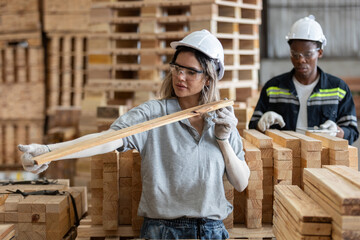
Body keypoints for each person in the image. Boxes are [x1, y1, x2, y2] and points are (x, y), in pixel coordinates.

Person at [18, 29, 250, 239]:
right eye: (177, 68)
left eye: (191, 72)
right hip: (162, 231)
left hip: (211, 232)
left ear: (208, 78)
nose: (180, 77)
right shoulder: (153, 114)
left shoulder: (222, 120)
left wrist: (223, 140)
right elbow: (106, 141)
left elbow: (240, 183)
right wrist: (48, 152)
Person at [249, 15, 359, 144]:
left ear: (320, 52)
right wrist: (261, 123)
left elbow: (352, 131)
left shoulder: (338, 89)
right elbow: (252, 127)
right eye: (295, 54)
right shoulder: (273, 88)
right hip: (284, 158)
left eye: (308, 54)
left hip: (322, 160)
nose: (301, 60)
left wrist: (337, 132)